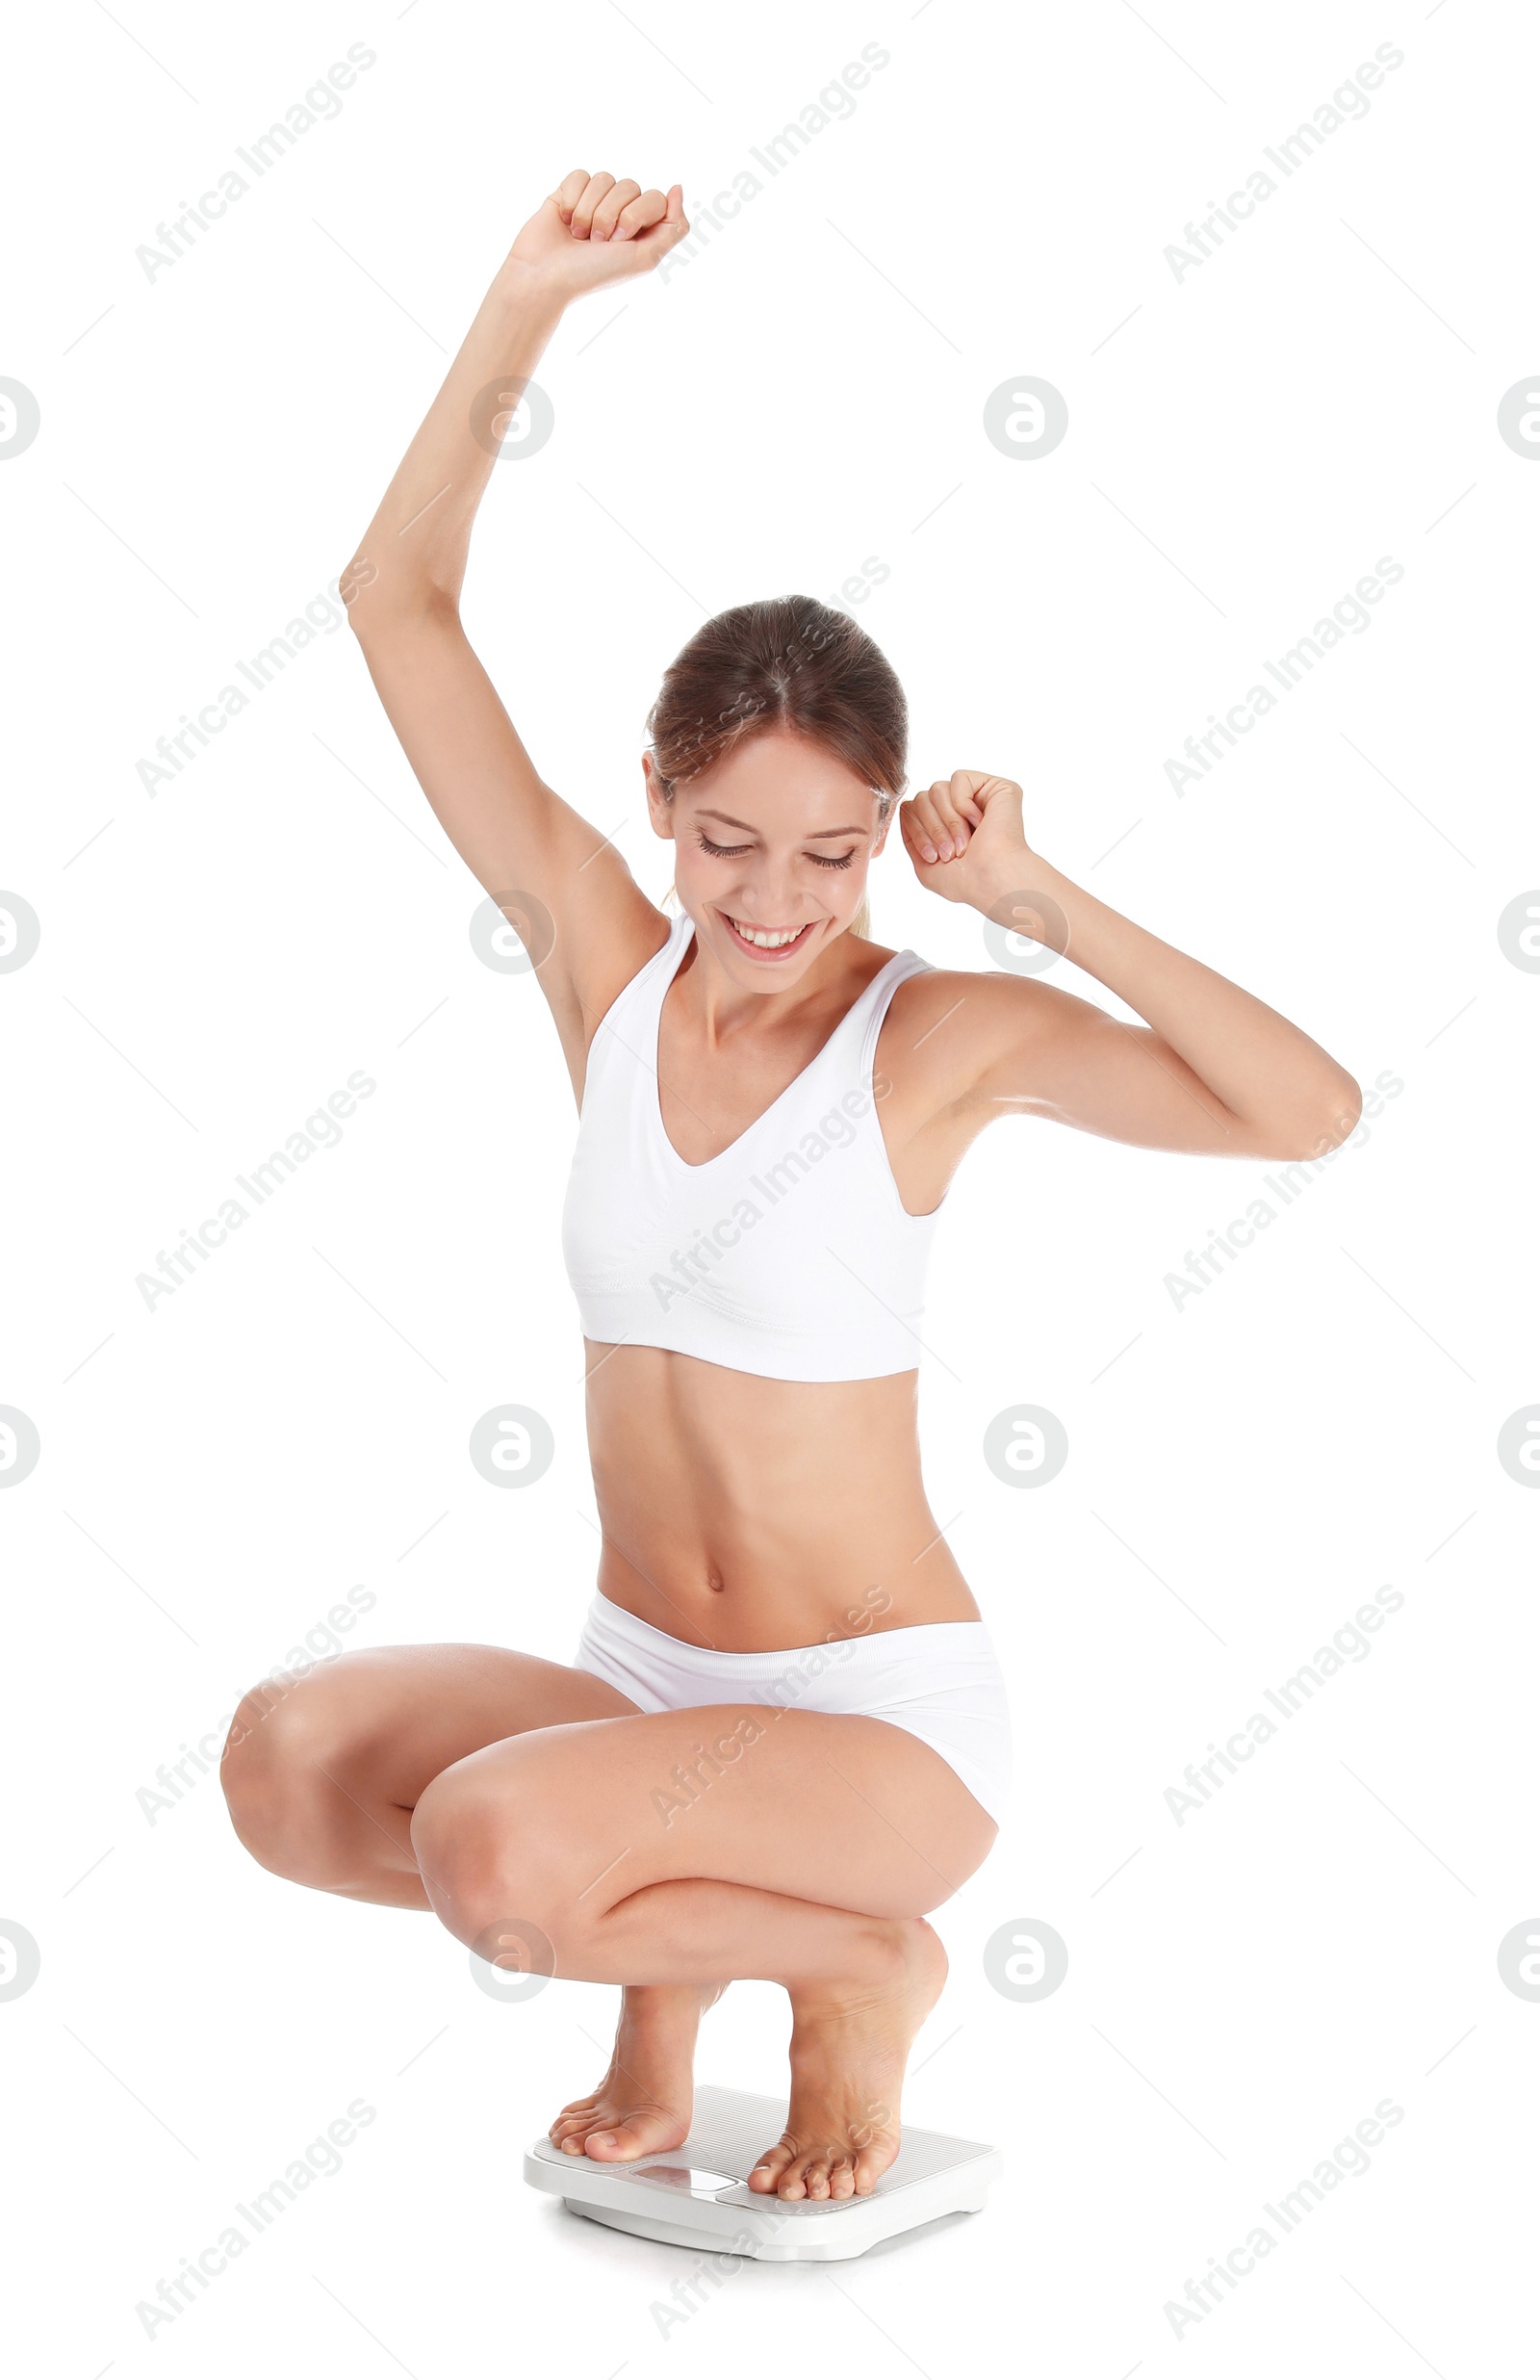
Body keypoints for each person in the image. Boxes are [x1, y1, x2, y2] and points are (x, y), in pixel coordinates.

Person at [221, 168, 1362, 2204]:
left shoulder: (928, 1038)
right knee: (285, 1766)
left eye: (830, 852)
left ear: (877, 847)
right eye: (726, 840)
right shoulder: (601, 961)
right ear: (654, 802)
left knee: (494, 1856)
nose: (770, 900)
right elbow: (391, 607)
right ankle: (672, 1981)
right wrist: (521, 305)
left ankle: (855, 1963)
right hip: (636, 1678)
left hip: (871, 1724)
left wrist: (1032, 900)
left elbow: (1302, 1116)